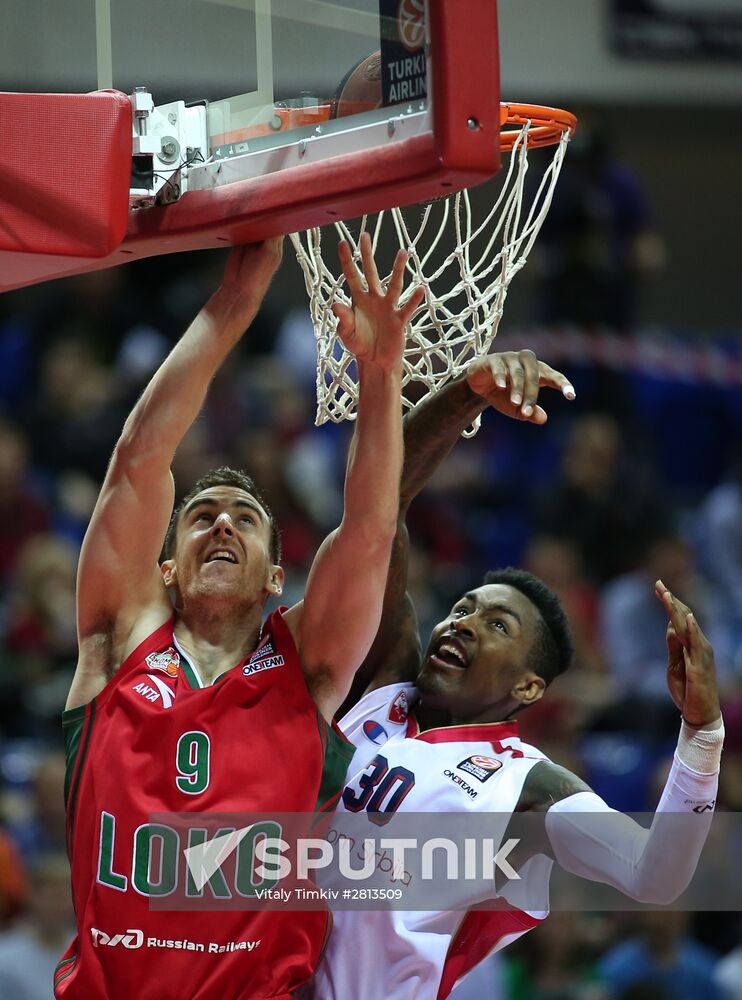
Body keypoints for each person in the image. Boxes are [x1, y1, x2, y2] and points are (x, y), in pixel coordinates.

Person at [55, 234, 424, 1000]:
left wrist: (381, 372)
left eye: (245, 519)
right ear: (166, 568)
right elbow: (138, 460)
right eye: (201, 517)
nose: (222, 522)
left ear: (276, 579)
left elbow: (369, 531)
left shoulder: (306, 667)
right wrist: (235, 302)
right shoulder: (118, 641)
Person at [308, 350, 724, 1000]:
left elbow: (654, 877)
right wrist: (465, 392)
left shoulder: (524, 785)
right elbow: (381, 505)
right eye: (463, 609)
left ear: (528, 688)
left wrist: (702, 732)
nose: (464, 624)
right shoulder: (385, 675)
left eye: (497, 626)